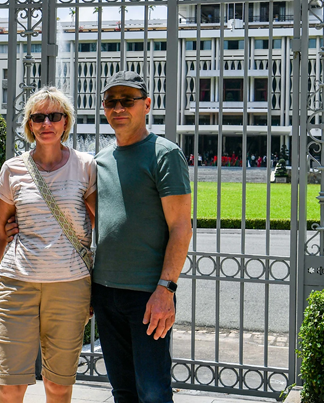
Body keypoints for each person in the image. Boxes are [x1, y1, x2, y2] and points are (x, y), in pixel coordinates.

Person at [0, 86, 96, 403]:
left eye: (54, 116)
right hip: (17, 285)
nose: (46, 123)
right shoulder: (13, 169)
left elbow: (104, 225)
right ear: (29, 125)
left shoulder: (85, 166)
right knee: (10, 386)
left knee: (57, 386)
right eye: (38, 117)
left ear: (65, 122)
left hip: (69, 286)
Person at [92, 71, 192, 403]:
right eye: (111, 101)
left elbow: (181, 226)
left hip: (148, 296)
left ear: (146, 105)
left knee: (152, 392)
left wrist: (166, 290)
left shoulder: (164, 154)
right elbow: (89, 220)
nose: (118, 108)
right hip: (105, 294)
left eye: (127, 100)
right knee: (122, 390)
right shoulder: (101, 161)